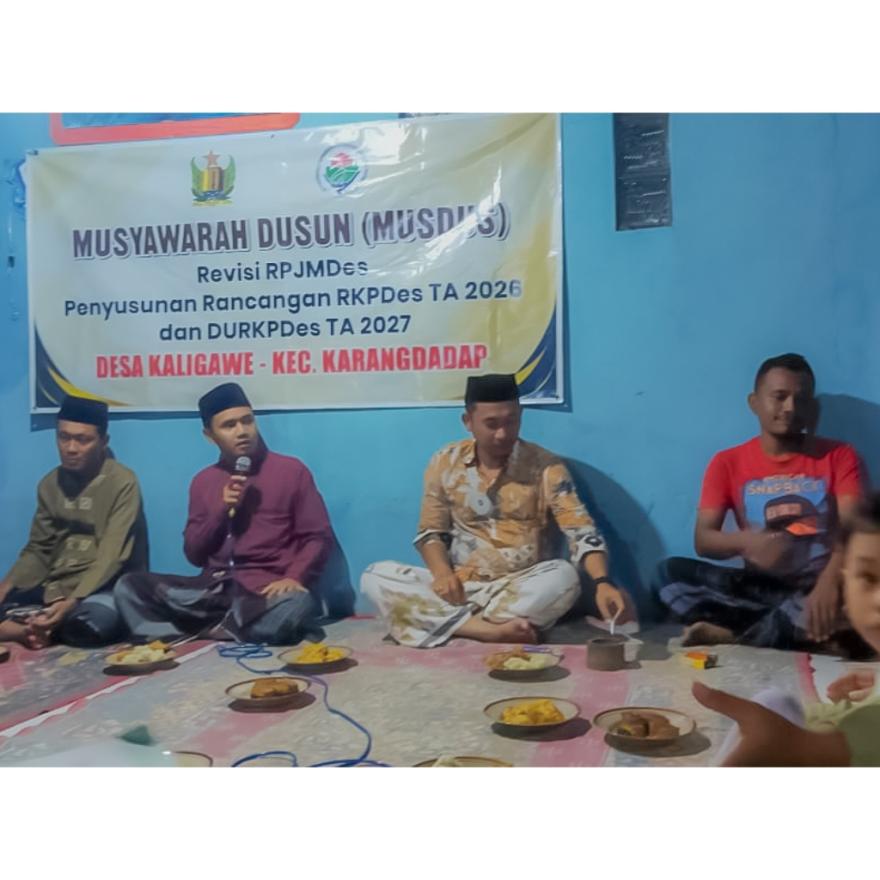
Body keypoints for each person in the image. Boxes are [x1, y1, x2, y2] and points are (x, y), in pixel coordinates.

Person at [361, 373, 635, 647]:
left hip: (519, 588)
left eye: (511, 421)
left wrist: (602, 582)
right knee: (375, 576)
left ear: (521, 416)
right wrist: (443, 574)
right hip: (459, 587)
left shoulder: (546, 467)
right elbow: (431, 532)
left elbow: (581, 531)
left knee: (564, 577)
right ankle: (488, 631)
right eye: (491, 424)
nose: (503, 434)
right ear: (468, 421)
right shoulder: (445, 461)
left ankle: (445, 622)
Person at [656, 353, 865, 653]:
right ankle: (800, 631)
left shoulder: (839, 456)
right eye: (779, 397)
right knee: (668, 576)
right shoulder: (727, 462)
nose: (790, 408)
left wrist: (829, 584)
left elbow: (855, 530)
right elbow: (703, 540)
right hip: (759, 588)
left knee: (862, 600)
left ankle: (738, 633)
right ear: (754, 403)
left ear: (812, 407)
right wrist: (747, 542)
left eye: (801, 399)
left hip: (820, 584)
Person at [114, 383, 332, 645]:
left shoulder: (291, 471)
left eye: (247, 421)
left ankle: (200, 629)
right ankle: (228, 627)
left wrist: (294, 577)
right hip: (211, 592)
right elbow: (194, 555)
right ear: (209, 435)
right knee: (129, 586)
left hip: (264, 591)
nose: (242, 431)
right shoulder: (203, 481)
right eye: (229, 426)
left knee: (297, 603)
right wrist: (219, 509)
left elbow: (317, 537)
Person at [693, 491, 880, 766]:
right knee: (773, 702)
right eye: (868, 577)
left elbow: (844, 747)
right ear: (847, 579)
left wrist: (798, 746)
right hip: (763, 588)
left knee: (769, 726)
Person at [0, 395, 147, 648]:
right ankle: (32, 630)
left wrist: (72, 601)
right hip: (54, 587)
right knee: (12, 603)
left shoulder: (122, 482)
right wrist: (6, 585)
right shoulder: (49, 484)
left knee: (93, 625)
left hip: (103, 588)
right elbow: (39, 549)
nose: (70, 448)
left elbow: (112, 556)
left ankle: (31, 629)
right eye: (63, 437)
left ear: (103, 442)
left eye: (83, 440)